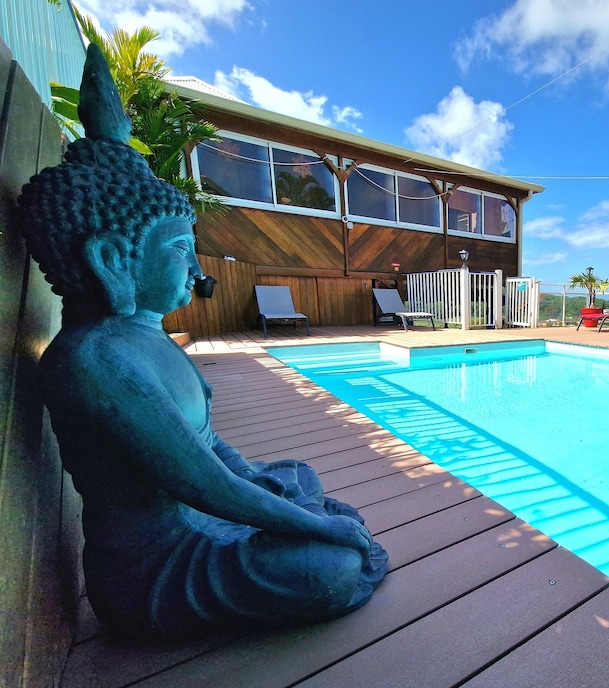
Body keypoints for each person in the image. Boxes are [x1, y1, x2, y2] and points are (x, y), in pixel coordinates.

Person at [16, 45, 387, 640]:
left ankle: (291, 518)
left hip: (208, 514)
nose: (197, 270)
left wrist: (265, 485)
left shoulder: (144, 337)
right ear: (113, 261)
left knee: (295, 472)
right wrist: (318, 528)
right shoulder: (94, 359)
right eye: (179, 250)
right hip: (158, 565)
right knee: (330, 567)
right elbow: (200, 483)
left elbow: (212, 446)